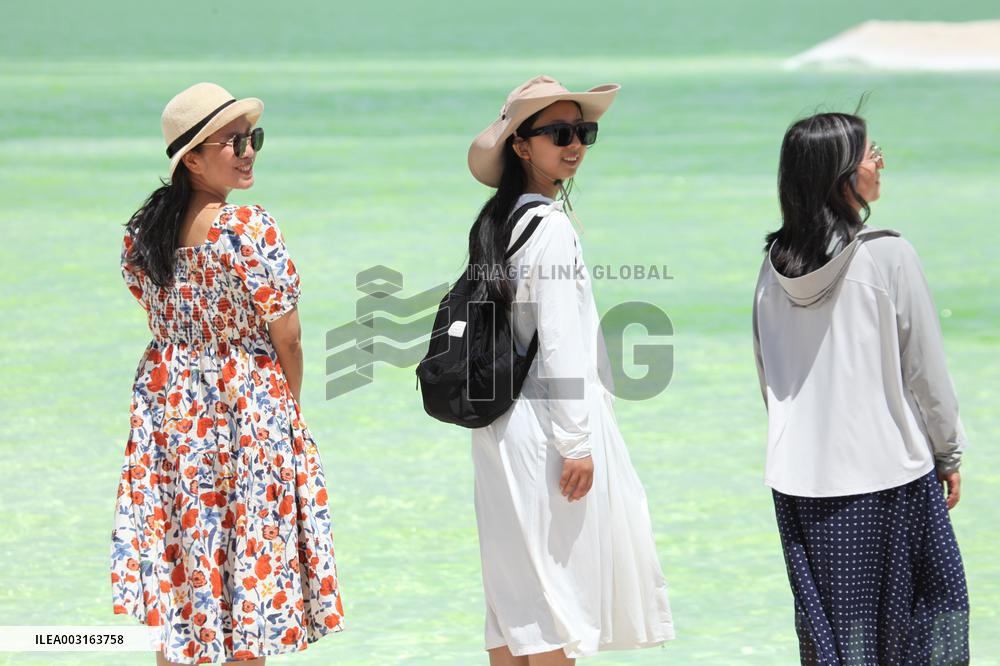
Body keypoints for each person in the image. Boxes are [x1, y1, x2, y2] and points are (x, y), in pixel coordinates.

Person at [110, 82, 344, 665]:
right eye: (233, 142)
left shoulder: (143, 235)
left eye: (252, 138)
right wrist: (287, 410)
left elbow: (157, 312)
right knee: (251, 580)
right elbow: (285, 334)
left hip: (171, 409)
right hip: (246, 406)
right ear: (191, 158)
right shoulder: (248, 228)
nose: (247, 151)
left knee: (185, 573)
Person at [465, 75, 675, 665]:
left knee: (514, 606)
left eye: (584, 131)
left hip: (499, 429)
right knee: (560, 603)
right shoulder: (549, 227)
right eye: (559, 133)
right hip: (548, 435)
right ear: (521, 146)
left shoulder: (496, 222)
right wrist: (577, 442)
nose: (575, 144)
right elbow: (558, 342)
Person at [753, 111, 970, 664]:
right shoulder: (887, 254)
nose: (880, 163)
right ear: (840, 174)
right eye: (871, 154)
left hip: (801, 483)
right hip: (889, 475)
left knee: (835, 639)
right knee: (922, 628)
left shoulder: (772, 269)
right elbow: (925, 369)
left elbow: (769, 377)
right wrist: (948, 452)